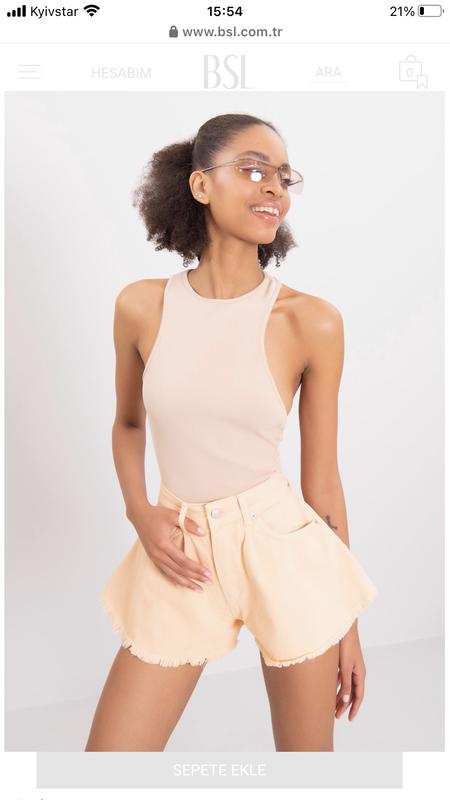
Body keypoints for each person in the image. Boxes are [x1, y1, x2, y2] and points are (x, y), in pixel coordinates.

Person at [85, 113, 378, 752]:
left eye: (283, 177)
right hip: (180, 550)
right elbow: (128, 422)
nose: (274, 188)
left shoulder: (311, 321)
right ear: (200, 185)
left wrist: (346, 623)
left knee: (307, 779)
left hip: (284, 549)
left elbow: (323, 483)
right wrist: (140, 511)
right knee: (106, 768)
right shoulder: (141, 306)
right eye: (252, 170)